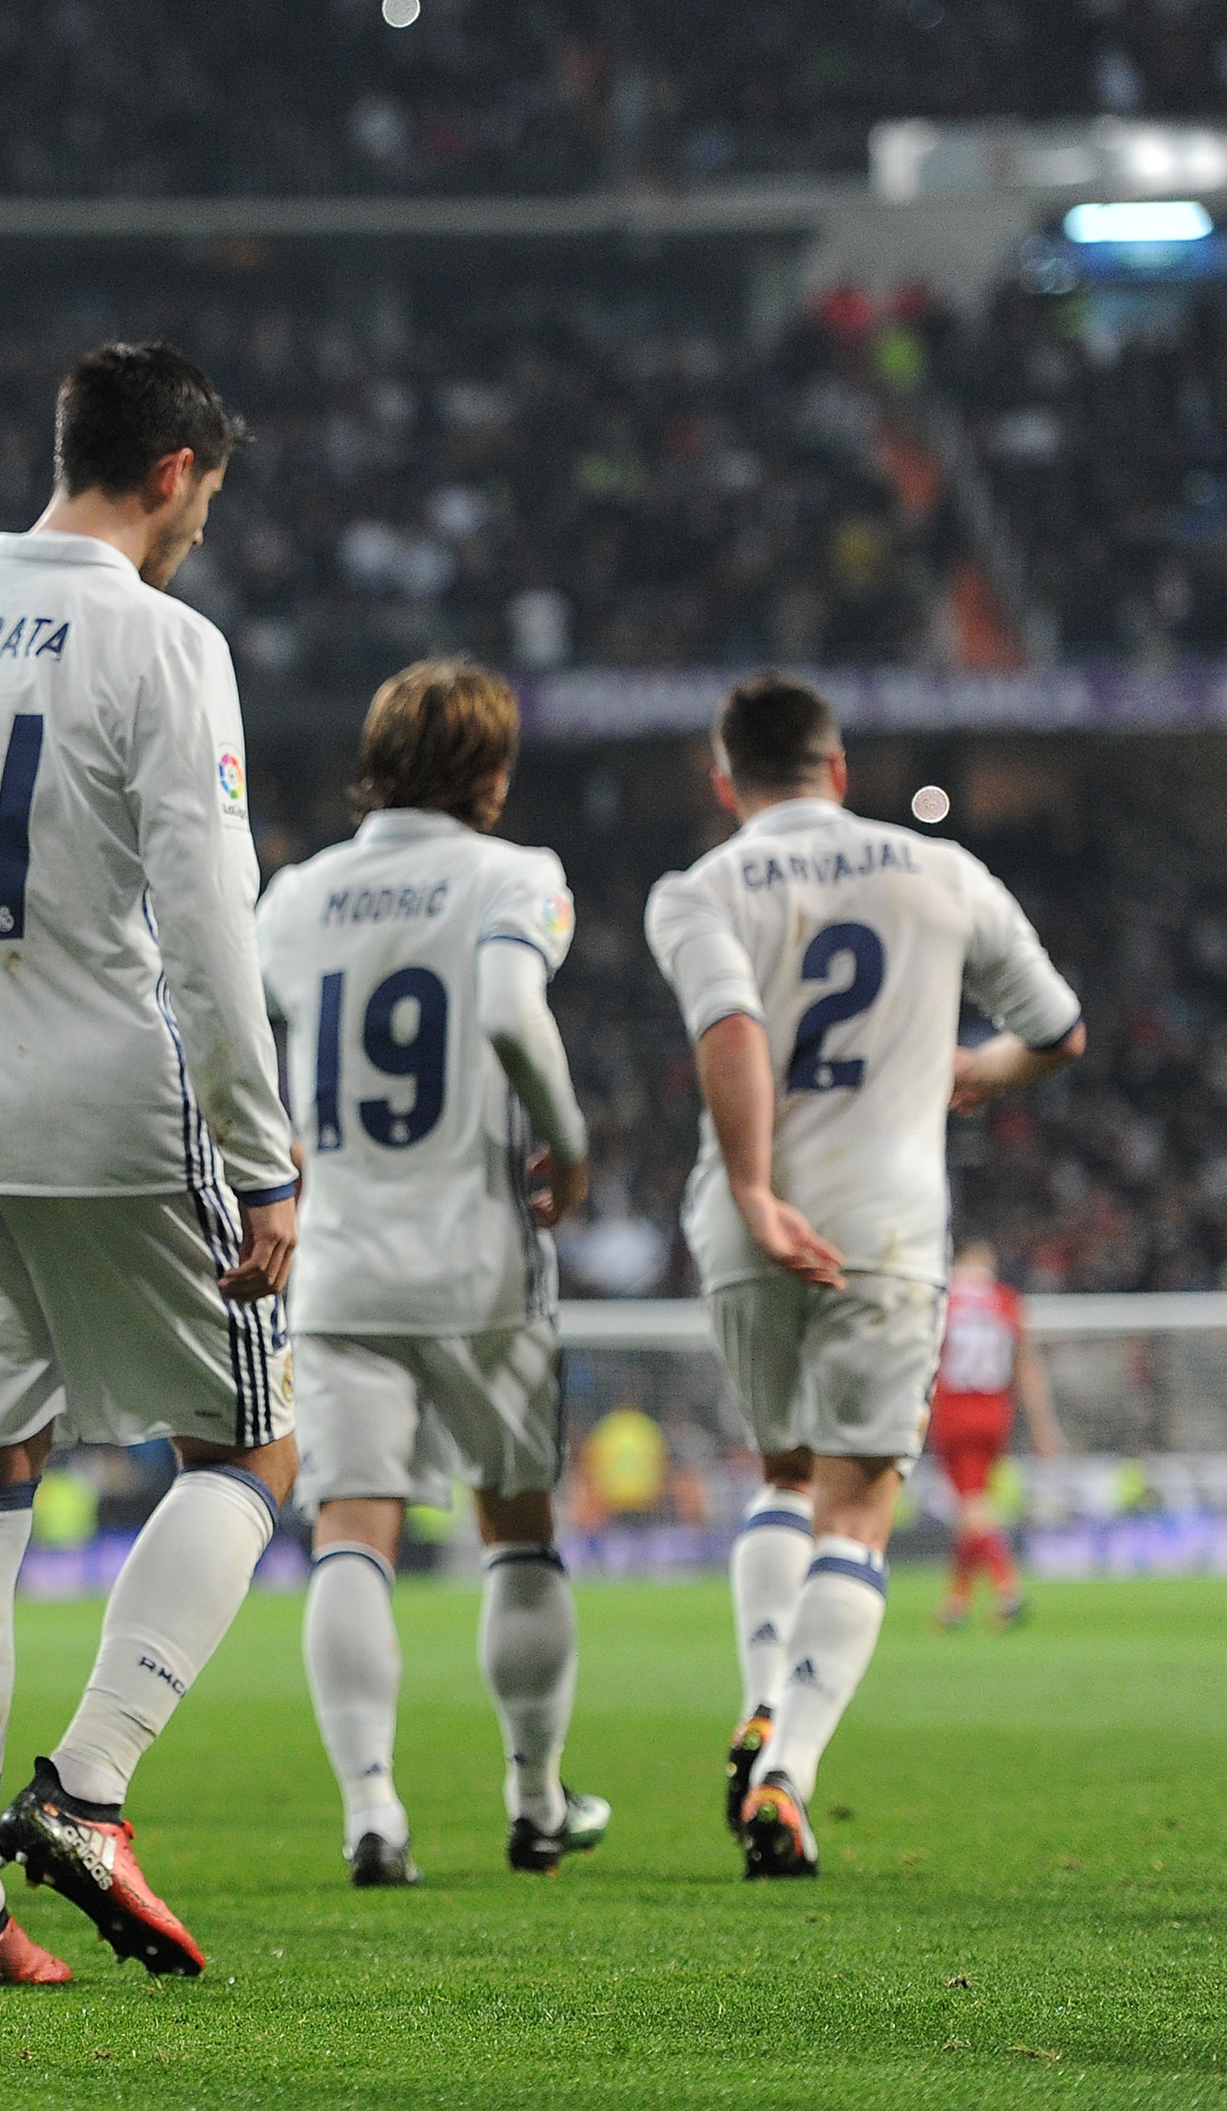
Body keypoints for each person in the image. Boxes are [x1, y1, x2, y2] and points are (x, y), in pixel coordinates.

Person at [0, 342, 298, 1992]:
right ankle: (91, 1784)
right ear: (176, 475)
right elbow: (206, 922)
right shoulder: (160, 638)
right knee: (255, 1451)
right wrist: (263, 1156)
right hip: (114, 1110)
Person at [645, 672, 1083, 1879]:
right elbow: (1059, 1030)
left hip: (746, 1224)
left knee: (783, 1475)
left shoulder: (700, 888)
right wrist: (981, 1070)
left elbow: (730, 1026)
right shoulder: (938, 871)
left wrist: (750, 1192)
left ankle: (758, 1696)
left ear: (728, 782)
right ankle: (786, 1764)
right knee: (859, 1508)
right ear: (839, 770)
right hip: (888, 1228)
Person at [258, 659, 607, 1888]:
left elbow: (235, 1044)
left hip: (343, 1263)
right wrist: (570, 1147)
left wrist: (273, 1165)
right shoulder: (515, 877)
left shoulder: (298, 897)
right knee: (518, 1526)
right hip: (481, 1263)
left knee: (354, 1533)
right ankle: (534, 1797)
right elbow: (513, 1013)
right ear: (494, 775)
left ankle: (372, 1810)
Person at [929, 1240, 1062, 1631]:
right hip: (995, 1415)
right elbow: (1027, 1366)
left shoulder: (944, 1301)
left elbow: (925, 1357)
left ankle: (1008, 1588)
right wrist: (1043, 1424)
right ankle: (957, 1601)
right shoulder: (1006, 1301)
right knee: (974, 1506)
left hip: (955, 1414)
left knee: (972, 1508)